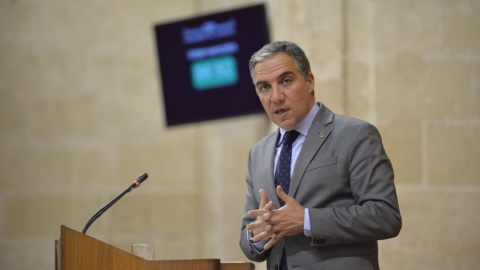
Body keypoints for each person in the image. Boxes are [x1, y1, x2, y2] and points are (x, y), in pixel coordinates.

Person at [239, 41, 402, 270]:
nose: (275, 97)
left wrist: (306, 220)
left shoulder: (355, 135)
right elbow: (248, 239)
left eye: (286, 81)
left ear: (309, 82)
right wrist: (259, 234)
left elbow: (386, 217)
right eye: (264, 87)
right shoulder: (257, 153)